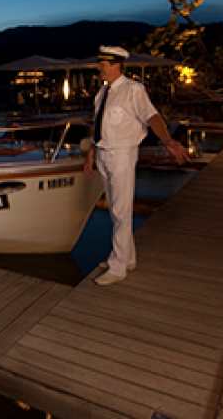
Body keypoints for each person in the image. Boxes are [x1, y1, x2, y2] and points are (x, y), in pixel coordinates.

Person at [83, 46, 190, 286]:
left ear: (116, 65)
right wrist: (91, 153)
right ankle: (127, 256)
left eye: (103, 63)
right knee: (114, 209)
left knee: (121, 211)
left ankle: (118, 267)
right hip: (103, 153)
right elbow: (98, 126)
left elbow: (151, 116)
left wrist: (168, 141)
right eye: (99, 63)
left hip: (122, 154)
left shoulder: (133, 90)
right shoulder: (102, 93)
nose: (99, 67)